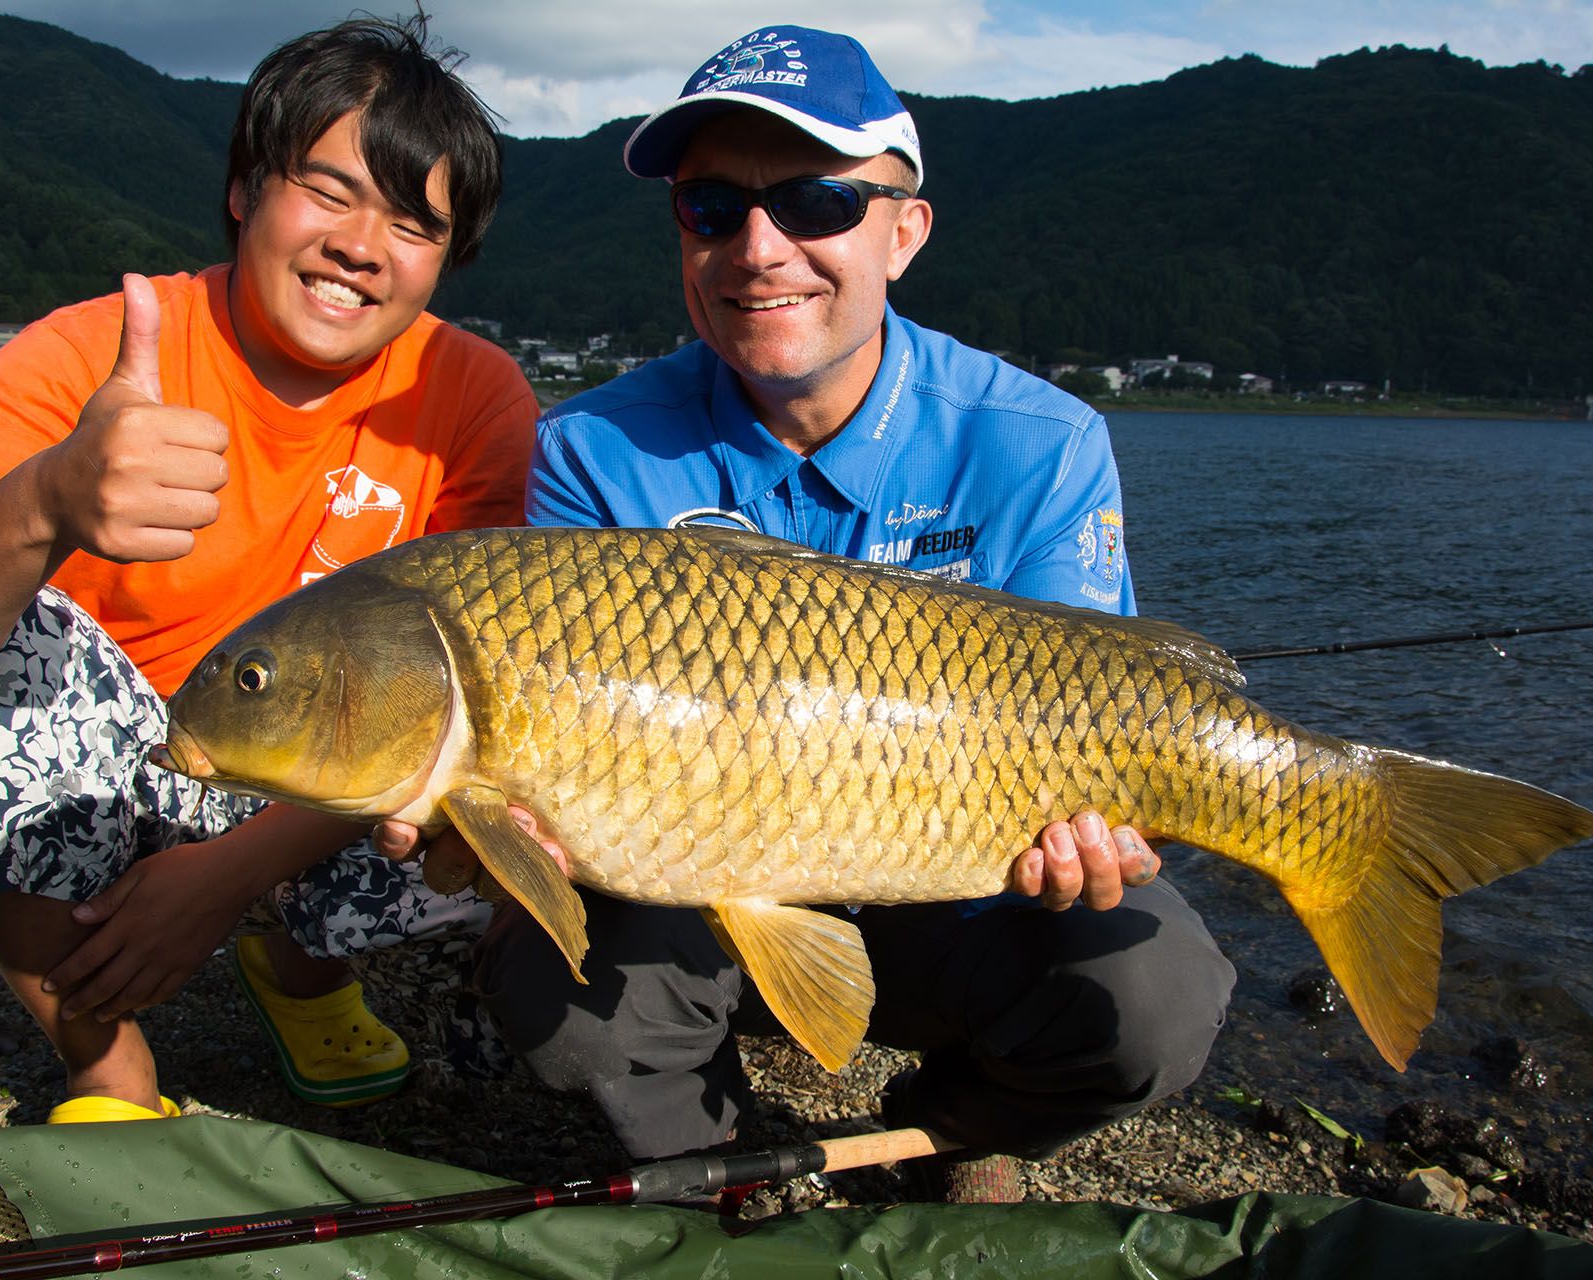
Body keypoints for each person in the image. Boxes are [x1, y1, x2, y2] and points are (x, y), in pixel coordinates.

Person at [460, 25, 1237, 1201]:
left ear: (904, 230)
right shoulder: (596, 451)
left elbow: (1103, 722)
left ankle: (950, 1133)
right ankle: (720, 1162)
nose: (760, 248)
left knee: (1155, 995)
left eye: (817, 202)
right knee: (559, 998)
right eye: (713, 206)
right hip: (704, 887)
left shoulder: (1042, 442)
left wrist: (1106, 832)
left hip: (961, 889)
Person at [0, 15, 534, 1123]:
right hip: (120, 759)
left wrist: (223, 880)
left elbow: (464, 704)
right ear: (246, 189)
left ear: (445, 258)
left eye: (414, 222)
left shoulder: (472, 396)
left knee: (512, 742)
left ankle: (299, 972)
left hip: (307, 780)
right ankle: (102, 1054)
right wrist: (48, 499)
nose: (363, 243)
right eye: (328, 190)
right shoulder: (92, 354)